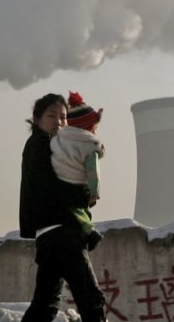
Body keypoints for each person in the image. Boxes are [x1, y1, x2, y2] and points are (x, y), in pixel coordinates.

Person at [19, 92, 106, 322]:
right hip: (62, 232)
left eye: (63, 117)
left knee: (45, 305)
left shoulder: (54, 146)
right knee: (91, 299)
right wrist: (84, 194)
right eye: (51, 115)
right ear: (37, 119)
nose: (59, 122)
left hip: (50, 234)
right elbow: (50, 187)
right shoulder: (40, 146)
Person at [50, 91, 105, 251]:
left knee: (70, 210)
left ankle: (86, 233)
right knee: (78, 210)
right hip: (77, 185)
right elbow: (93, 171)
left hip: (57, 182)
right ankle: (90, 233)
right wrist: (94, 191)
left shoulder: (58, 139)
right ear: (89, 127)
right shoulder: (89, 145)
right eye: (95, 126)